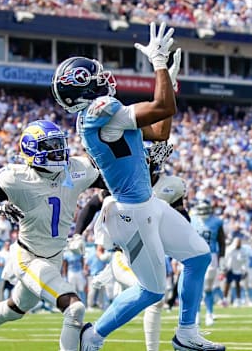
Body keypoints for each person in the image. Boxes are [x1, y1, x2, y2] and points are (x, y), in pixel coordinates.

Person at [53, 21, 221, 351]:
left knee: (199, 256)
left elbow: (159, 131)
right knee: (152, 290)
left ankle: (187, 334)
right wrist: (159, 65)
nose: (104, 79)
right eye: (96, 76)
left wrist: (168, 85)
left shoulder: (100, 114)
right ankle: (92, 337)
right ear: (84, 87)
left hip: (147, 204)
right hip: (131, 211)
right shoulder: (101, 109)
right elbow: (162, 108)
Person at [0, 120, 103, 351]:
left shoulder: (76, 169)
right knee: (75, 308)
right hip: (29, 258)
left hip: (54, 257)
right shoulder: (17, 178)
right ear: (33, 150)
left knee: (15, 309)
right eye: (51, 145)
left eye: (59, 144)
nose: (58, 150)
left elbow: (113, 184)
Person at [72, 140, 186, 351]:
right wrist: (77, 234)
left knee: (155, 295)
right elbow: (92, 205)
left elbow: (181, 215)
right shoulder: (122, 181)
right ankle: (94, 335)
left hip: (151, 252)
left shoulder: (171, 185)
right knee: (153, 294)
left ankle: (94, 335)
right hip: (125, 255)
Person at [191, 200, 225, 326]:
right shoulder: (191, 220)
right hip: (195, 255)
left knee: (207, 288)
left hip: (211, 256)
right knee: (196, 288)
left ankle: (209, 313)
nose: (203, 213)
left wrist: (222, 259)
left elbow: (222, 242)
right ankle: (197, 314)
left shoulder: (216, 222)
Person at [223, 238, 246, 307]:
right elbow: (226, 258)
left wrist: (244, 270)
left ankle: (238, 300)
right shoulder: (230, 249)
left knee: (238, 285)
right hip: (230, 269)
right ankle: (225, 300)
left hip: (238, 269)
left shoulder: (243, 250)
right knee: (227, 284)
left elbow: (244, 261)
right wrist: (225, 268)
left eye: (240, 242)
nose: (239, 244)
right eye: (238, 242)